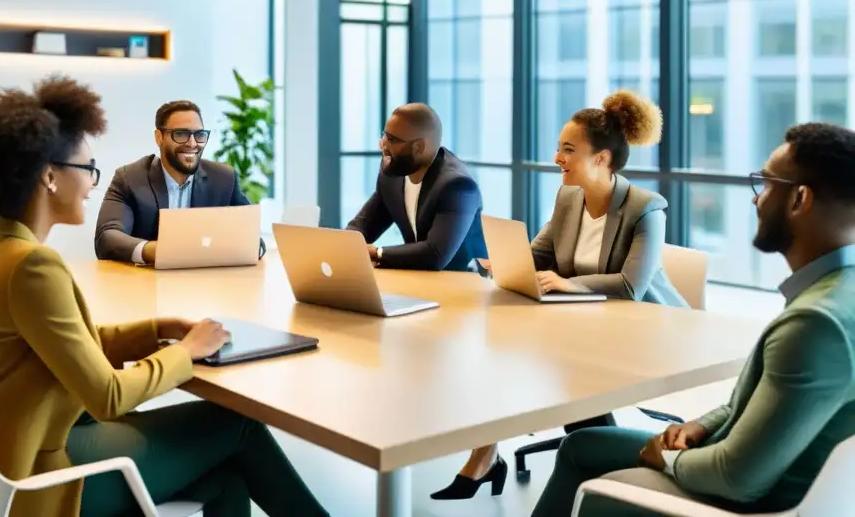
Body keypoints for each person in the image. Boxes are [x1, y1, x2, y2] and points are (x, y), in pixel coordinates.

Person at [0, 76, 328, 517]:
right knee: (239, 426)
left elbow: (71, 345)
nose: (91, 183)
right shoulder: (31, 267)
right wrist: (185, 352)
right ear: (49, 176)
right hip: (40, 472)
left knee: (226, 481)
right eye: (86, 169)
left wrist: (158, 330)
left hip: (1, 456)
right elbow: (108, 396)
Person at [530, 122, 855, 516]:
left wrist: (664, 460)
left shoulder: (816, 324)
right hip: (756, 461)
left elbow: (736, 477)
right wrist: (701, 423)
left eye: (766, 184)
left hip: (754, 498)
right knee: (582, 445)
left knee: (597, 473)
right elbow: (758, 401)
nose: (756, 200)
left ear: (799, 199)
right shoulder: (837, 291)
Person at [432, 89, 686, 501]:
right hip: (581, 326)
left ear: (601, 158)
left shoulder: (645, 208)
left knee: (549, 365)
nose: (557, 158)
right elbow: (540, 254)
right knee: (502, 346)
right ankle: (499, 453)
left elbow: (629, 286)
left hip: (644, 333)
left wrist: (571, 283)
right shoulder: (569, 198)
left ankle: (596, 465)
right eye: (558, 148)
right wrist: (510, 261)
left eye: (568, 149)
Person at [94, 99, 262, 265]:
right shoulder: (130, 179)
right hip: (147, 284)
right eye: (180, 134)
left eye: (199, 135)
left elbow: (254, 240)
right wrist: (159, 251)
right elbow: (107, 237)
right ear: (159, 137)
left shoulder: (224, 179)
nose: (192, 143)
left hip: (207, 284)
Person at [346, 103, 487, 272]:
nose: (382, 145)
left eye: (392, 140)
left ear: (419, 147)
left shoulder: (457, 186)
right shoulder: (393, 175)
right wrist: (345, 244)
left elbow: (435, 254)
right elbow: (362, 226)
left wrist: (378, 253)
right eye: (384, 136)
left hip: (462, 283)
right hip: (417, 279)